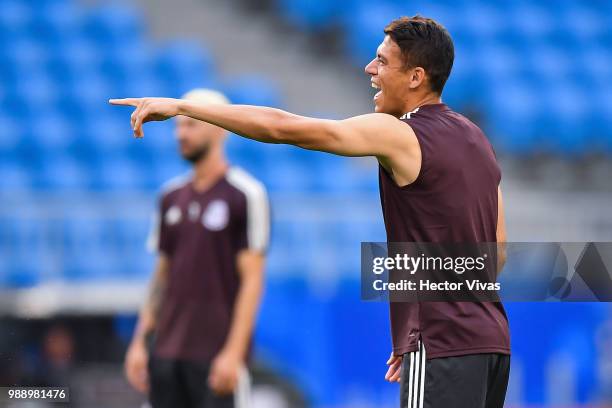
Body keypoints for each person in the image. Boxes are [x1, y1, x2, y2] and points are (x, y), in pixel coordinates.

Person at [111, 16, 510, 408]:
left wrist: (185, 108)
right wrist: (416, 322)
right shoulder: (478, 140)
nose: (370, 68)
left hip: (443, 343)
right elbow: (499, 253)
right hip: (492, 343)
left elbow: (286, 128)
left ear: (416, 77)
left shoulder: (402, 132)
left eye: (383, 61)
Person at [123, 89, 270, 408]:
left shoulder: (245, 194)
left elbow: (252, 280)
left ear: (218, 128)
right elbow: (161, 275)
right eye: (178, 127)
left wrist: (233, 353)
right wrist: (139, 341)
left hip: (215, 357)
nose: (181, 134)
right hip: (166, 354)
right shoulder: (170, 196)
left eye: (191, 126)